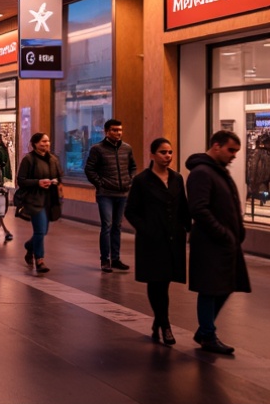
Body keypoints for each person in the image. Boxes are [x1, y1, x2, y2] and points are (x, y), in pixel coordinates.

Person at [186, 130, 250, 354]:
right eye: (230, 150)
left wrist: (236, 232)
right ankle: (208, 334)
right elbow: (199, 208)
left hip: (225, 242)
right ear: (216, 146)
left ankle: (205, 330)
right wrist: (222, 232)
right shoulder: (202, 173)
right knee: (210, 289)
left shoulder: (218, 171)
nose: (233, 155)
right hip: (210, 242)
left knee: (226, 286)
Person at [125, 137, 189, 346]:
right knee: (156, 282)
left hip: (173, 239)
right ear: (152, 155)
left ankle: (158, 321)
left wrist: (187, 229)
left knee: (166, 282)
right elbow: (131, 211)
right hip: (151, 240)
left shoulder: (177, 178)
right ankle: (165, 324)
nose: (167, 156)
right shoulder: (142, 181)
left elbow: (183, 207)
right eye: (163, 152)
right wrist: (147, 230)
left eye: (170, 152)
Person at [85, 118, 137, 273]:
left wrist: (130, 180)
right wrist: (100, 184)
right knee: (107, 226)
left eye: (120, 130)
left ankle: (116, 258)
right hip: (105, 194)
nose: (118, 133)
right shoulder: (97, 149)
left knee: (117, 226)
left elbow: (133, 166)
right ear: (106, 132)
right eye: (114, 130)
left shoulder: (127, 148)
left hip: (122, 193)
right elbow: (89, 169)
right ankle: (105, 260)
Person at [17, 132, 62, 274]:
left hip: (50, 199)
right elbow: (21, 180)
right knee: (40, 231)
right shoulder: (29, 159)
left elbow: (58, 176)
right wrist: (38, 182)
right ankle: (40, 260)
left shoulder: (53, 159)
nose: (46, 144)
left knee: (43, 232)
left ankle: (29, 247)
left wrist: (55, 181)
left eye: (47, 141)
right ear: (35, 144)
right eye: (43, 141)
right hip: (34, 200)